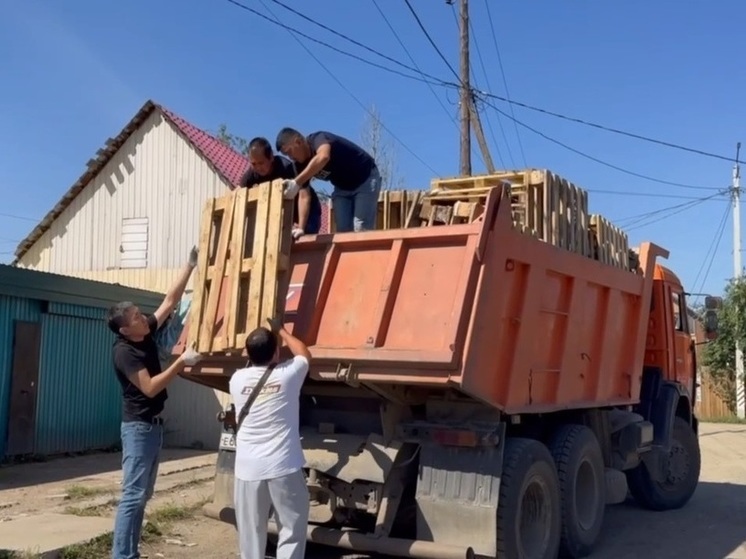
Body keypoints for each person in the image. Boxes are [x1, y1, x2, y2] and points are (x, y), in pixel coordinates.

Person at [107, 246, 203, 559]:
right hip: (138, 428)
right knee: (133, 496)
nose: (143, 318)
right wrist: (181, 363)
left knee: (142, 495)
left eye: (139, 313)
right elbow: (148, 388)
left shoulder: (144, 332)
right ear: (125, 328)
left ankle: (129, 553)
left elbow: (169, 301)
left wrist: (189, 265)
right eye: (136, 317)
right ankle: (122, 556)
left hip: (152, 427)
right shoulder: (125, 351)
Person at [229, 316, 312, 559]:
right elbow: (304, 354)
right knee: (291, 530)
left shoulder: (236, 380)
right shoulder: (288, 376)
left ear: (247, 353)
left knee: (251, 533)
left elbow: (252, 365)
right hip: (283, 467)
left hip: (247, 471)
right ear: (277, 352)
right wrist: (282, 331)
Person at [275, 128, 381, 233]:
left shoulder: (319, 139)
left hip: (365, 178)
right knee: (343, 230)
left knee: (361, 227)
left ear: (298, 141)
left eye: (289, 152)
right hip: (342, 187)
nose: (290, 157)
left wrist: (296, 182)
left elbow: (323, 156)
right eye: (286, 155)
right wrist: (301, 228)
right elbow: (304, 196)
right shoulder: (299, 166)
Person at [239, 136, 322, 239]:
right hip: (286, 214)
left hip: (308, 211)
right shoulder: (252, 174)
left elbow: (305, 195)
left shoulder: (287, 168)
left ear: (271, 157)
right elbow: (238, 193)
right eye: (254, 164)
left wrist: (301, 227)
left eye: (261, 163)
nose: (258, 168)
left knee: (304, 239)